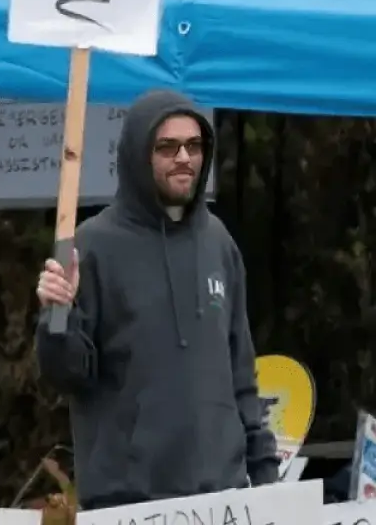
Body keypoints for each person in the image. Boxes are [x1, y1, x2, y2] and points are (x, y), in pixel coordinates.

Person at [35, 89, 279, 510]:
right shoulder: (91, 246)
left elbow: (241, 370)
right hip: (130, 502)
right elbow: (67, 376)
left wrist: (265, 472)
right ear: (137, 154)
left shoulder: (219, 242)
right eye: (167, 147)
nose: (184, 157)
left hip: (223, 497)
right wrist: (58, 318)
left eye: (194, 145)